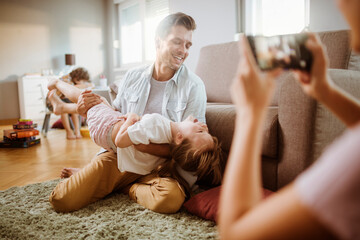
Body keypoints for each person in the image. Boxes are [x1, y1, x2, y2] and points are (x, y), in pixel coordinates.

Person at [218, 0, 360, 239]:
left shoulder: (352, 164)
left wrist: (250, 114)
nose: (340, 3)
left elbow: (235, 233)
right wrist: (324, 91)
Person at [49, 12, 211, 213]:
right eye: (177, 42)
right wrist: (84, 110)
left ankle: (123, 188)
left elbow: (188, 150)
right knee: (62, 200)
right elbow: (114, 115)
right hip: (120, 159)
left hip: (159, 170)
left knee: (170, 199)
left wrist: (141, 144)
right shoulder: (133, 76)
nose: (183, 51)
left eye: (188, 45)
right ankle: (109, 181)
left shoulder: (194, 86)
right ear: (158, 41)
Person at [47, 80, 221, 197]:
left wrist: (130, 118)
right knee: (96, 105)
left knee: (85, 97)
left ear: (180, 137)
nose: (204, 127)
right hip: (109, 132)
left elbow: (120, 141)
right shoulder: (166, 146)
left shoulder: (158, 124)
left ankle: (57, 83)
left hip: (106, 128)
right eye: (207, 132)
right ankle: (61, 107)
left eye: (200, 133)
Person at [48, 67, 93, 140]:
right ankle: (69, 131)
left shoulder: (72, 80)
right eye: (83, 81)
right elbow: (71, 89)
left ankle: (77, 131)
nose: (83, 83)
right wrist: (86, 85)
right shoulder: (67, 79)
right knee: (65, 109)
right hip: (52, 103)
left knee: (75, 107)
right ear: (77, 78)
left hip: (65, 100)